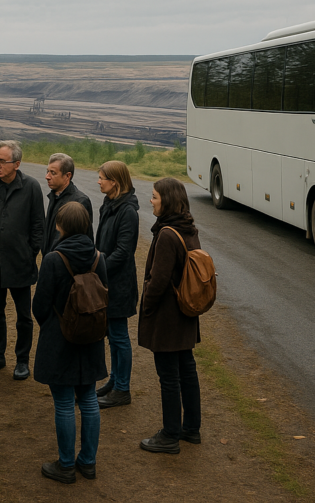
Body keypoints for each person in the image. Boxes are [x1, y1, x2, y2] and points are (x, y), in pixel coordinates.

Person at [32, 201, 108, 484]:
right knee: (88, 399)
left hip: (59, 338)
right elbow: (105, 298)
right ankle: (88, 462)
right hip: (91, 337)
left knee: (64, 402)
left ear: (60, 226)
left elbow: (39, 305)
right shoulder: (99, 258)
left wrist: (52, 326)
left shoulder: (53, 259)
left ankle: (65, 466)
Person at [137, 177, 202, 454]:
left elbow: (159, 280)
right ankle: (191, 429)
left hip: (167, 316)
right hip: (186, 312)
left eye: (154, 196)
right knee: (187, 369)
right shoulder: (188, 228)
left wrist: (147, 307)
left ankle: (170, 435)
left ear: (167, 200)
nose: (150, 201)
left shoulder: (166, 234)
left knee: (169, 376)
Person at [0, 140, 45, 380]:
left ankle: (22, 360)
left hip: (21, 264)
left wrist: (30, 253)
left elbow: (38, 225)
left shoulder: (32, 187)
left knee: (24, 316)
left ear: (16, 164)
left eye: (2, 161)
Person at [94, 160, 140, 410]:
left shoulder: (128, 212)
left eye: (102, 177)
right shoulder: (109, 204)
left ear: (115, 181)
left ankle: (123, 389)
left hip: (119, 285)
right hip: (107, 281)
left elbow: (123, 252)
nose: (98, 181)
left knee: (119, 337)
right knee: (112, 336)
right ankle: (114, 380)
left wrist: (98, 267)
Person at [42, 153, 93, 256]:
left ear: (67, 176)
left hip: (66, 265)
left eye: (53, 173)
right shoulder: (54, 196)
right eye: (47, 171)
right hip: (51, 261)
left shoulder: (79, 201)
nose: (47, 177)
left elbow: (82, 243)